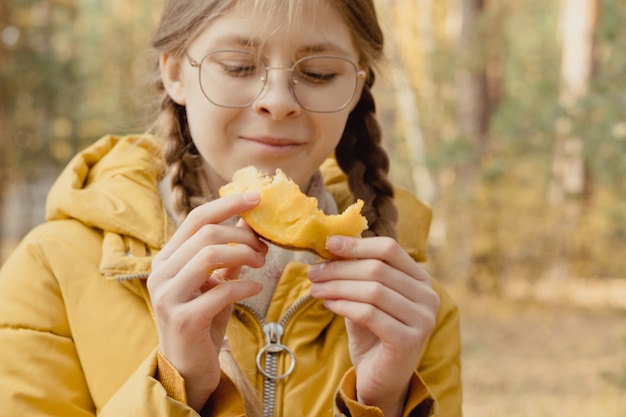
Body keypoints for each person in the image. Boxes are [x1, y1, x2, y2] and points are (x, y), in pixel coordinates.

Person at [0, 0, 462, 416]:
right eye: (239, 66)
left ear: (358, 84)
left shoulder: (410, 302)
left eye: (319, 72)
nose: (278, 102)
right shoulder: (52, 270)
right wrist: (177, 384)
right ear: (176, 72)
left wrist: (384, 402)